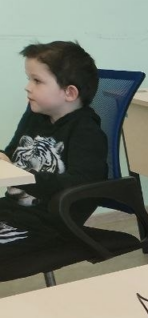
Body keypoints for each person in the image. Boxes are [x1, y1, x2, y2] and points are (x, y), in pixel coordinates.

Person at [0, 41, 107, 250]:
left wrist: (23, 178)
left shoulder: (86, 131)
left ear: (69, 93)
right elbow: (12, 154)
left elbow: (80, 184)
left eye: (37, 81)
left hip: (47, 223)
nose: (27, 87)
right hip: (11, 210)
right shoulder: (36, 116)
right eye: (29, 79)